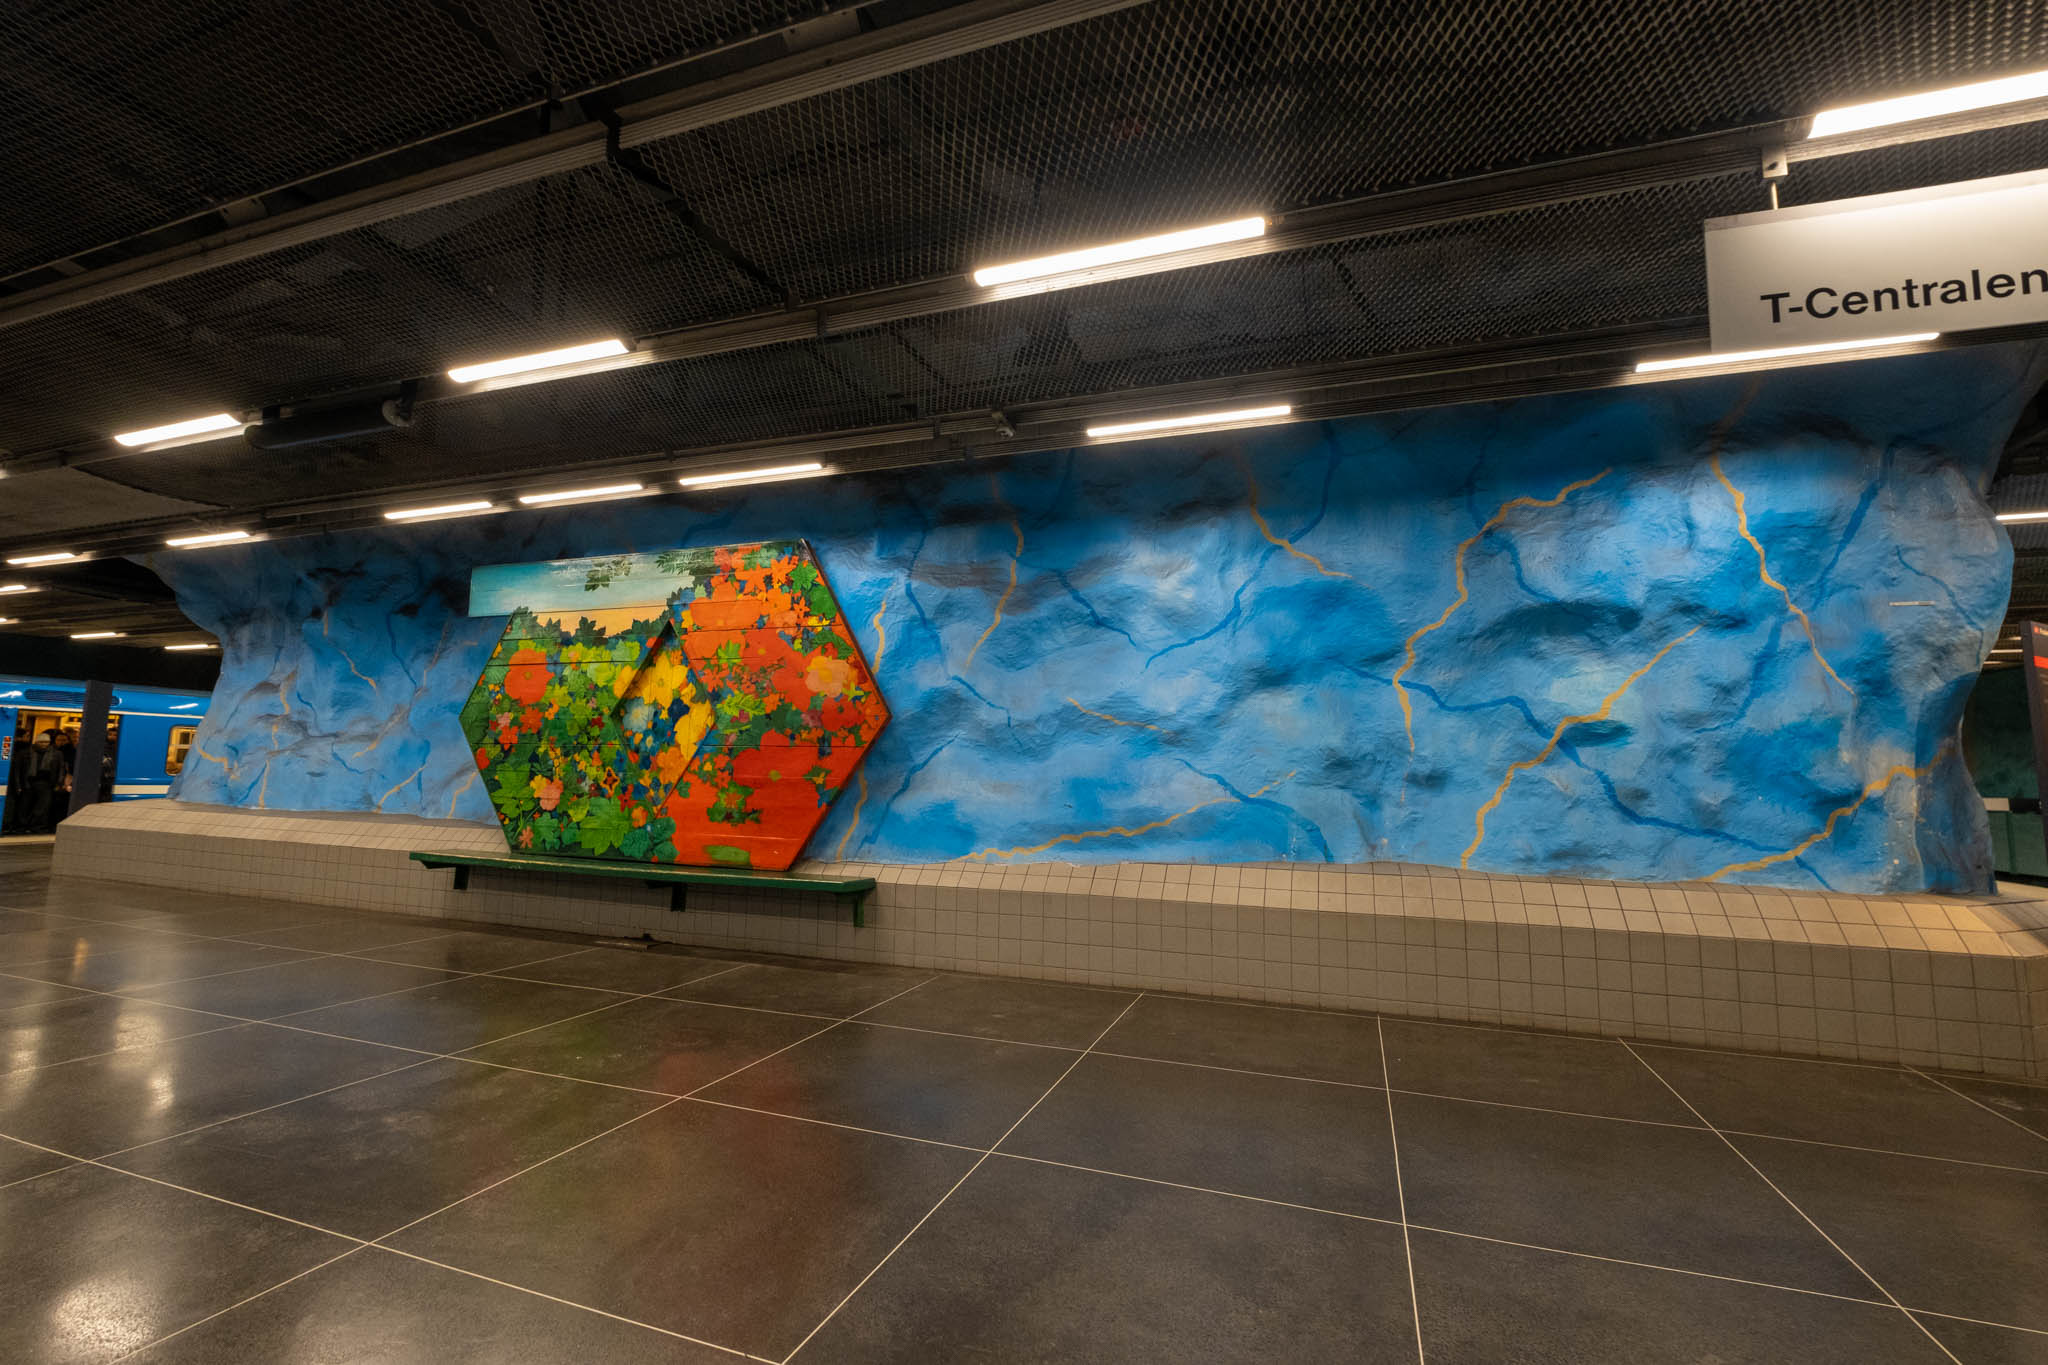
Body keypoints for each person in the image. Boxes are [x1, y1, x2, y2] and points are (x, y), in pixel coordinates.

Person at [18, 730, 68, 834]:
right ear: (36, 742)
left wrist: (59, 783)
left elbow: (61, 769)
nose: (44, 744)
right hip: (29, 782)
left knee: (43, 806)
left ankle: (36, 825)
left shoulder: (56, 754)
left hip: (46, 783)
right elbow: (19, 769)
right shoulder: (26, 752)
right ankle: (23, 825)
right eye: (41, 742)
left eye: (46, 742)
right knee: (25, 805)